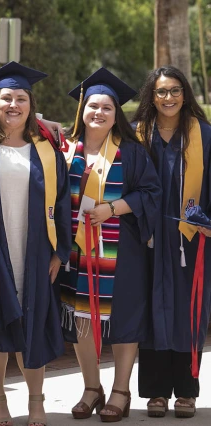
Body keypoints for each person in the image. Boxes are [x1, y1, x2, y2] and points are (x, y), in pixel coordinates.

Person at [57, 67, 161, 422]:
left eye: (107, 108)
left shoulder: (130, 152)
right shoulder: (68, 151)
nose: (98, 112)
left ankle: (120, 390)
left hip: (122, 252)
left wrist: (112, 208)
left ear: (116, 115)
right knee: (82, 318)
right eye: (92, 106)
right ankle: (91, 387)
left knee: (123, 319)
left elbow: (151, 192)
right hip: (77, 251)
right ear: (82, 111)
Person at [0, 62, 72, 426]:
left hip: (34, 252)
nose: (13, 105)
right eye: (5, 98)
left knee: (32, 325)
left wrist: (59, 252)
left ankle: (35, 402)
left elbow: (62, 202)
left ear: (31, 106)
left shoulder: (46, 150)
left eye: (20, 98)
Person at [132, 66, 211, 419]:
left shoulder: (204, 136)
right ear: (151, 95)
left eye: (175, 90)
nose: (169, 98)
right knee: (149, 312)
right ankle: (155, 391)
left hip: (191, 240)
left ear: (185, 94)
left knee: (188, 313)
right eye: (162, 91)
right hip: (146, 238)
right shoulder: (137, 136)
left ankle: (187, 390)